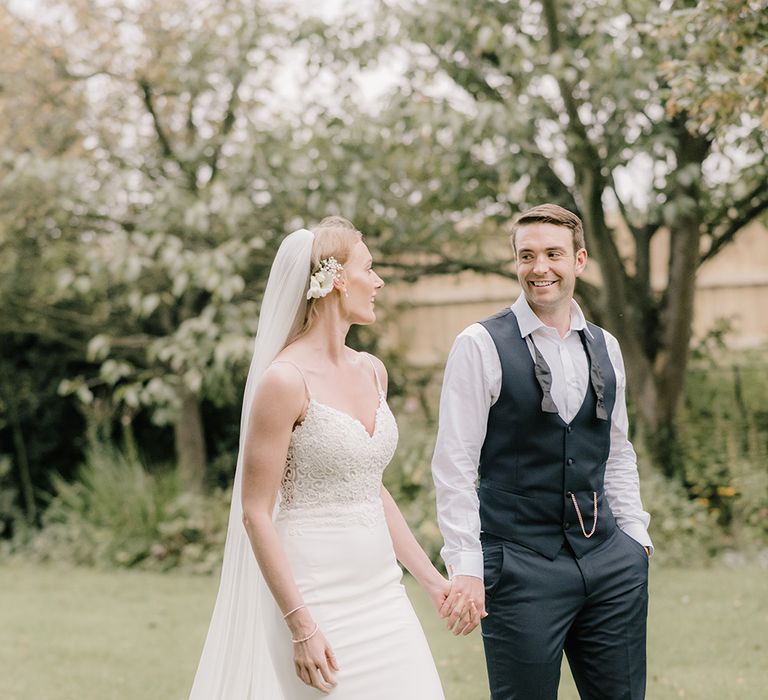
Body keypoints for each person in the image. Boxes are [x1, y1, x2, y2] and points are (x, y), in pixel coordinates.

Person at [189, 217, 447, 699]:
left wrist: (432, 581)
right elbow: (254, 512)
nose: (378, 281)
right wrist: (301, 626)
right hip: (315, 598)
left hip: (384, 595)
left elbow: (371, 488)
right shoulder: (284, 381)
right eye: (368, 269)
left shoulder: (372, 371)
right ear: (334, 280)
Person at [432, 204, 653, 699]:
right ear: (515, 262)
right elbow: (454, 466)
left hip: (610, 561)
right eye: (527, 256)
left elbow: (617, 450)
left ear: (579, 260)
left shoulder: (606, 345)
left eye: (553, 254)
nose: (539, 268)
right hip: (520, 564)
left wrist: (636, 539)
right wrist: (467, 566)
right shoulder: (480, 345)